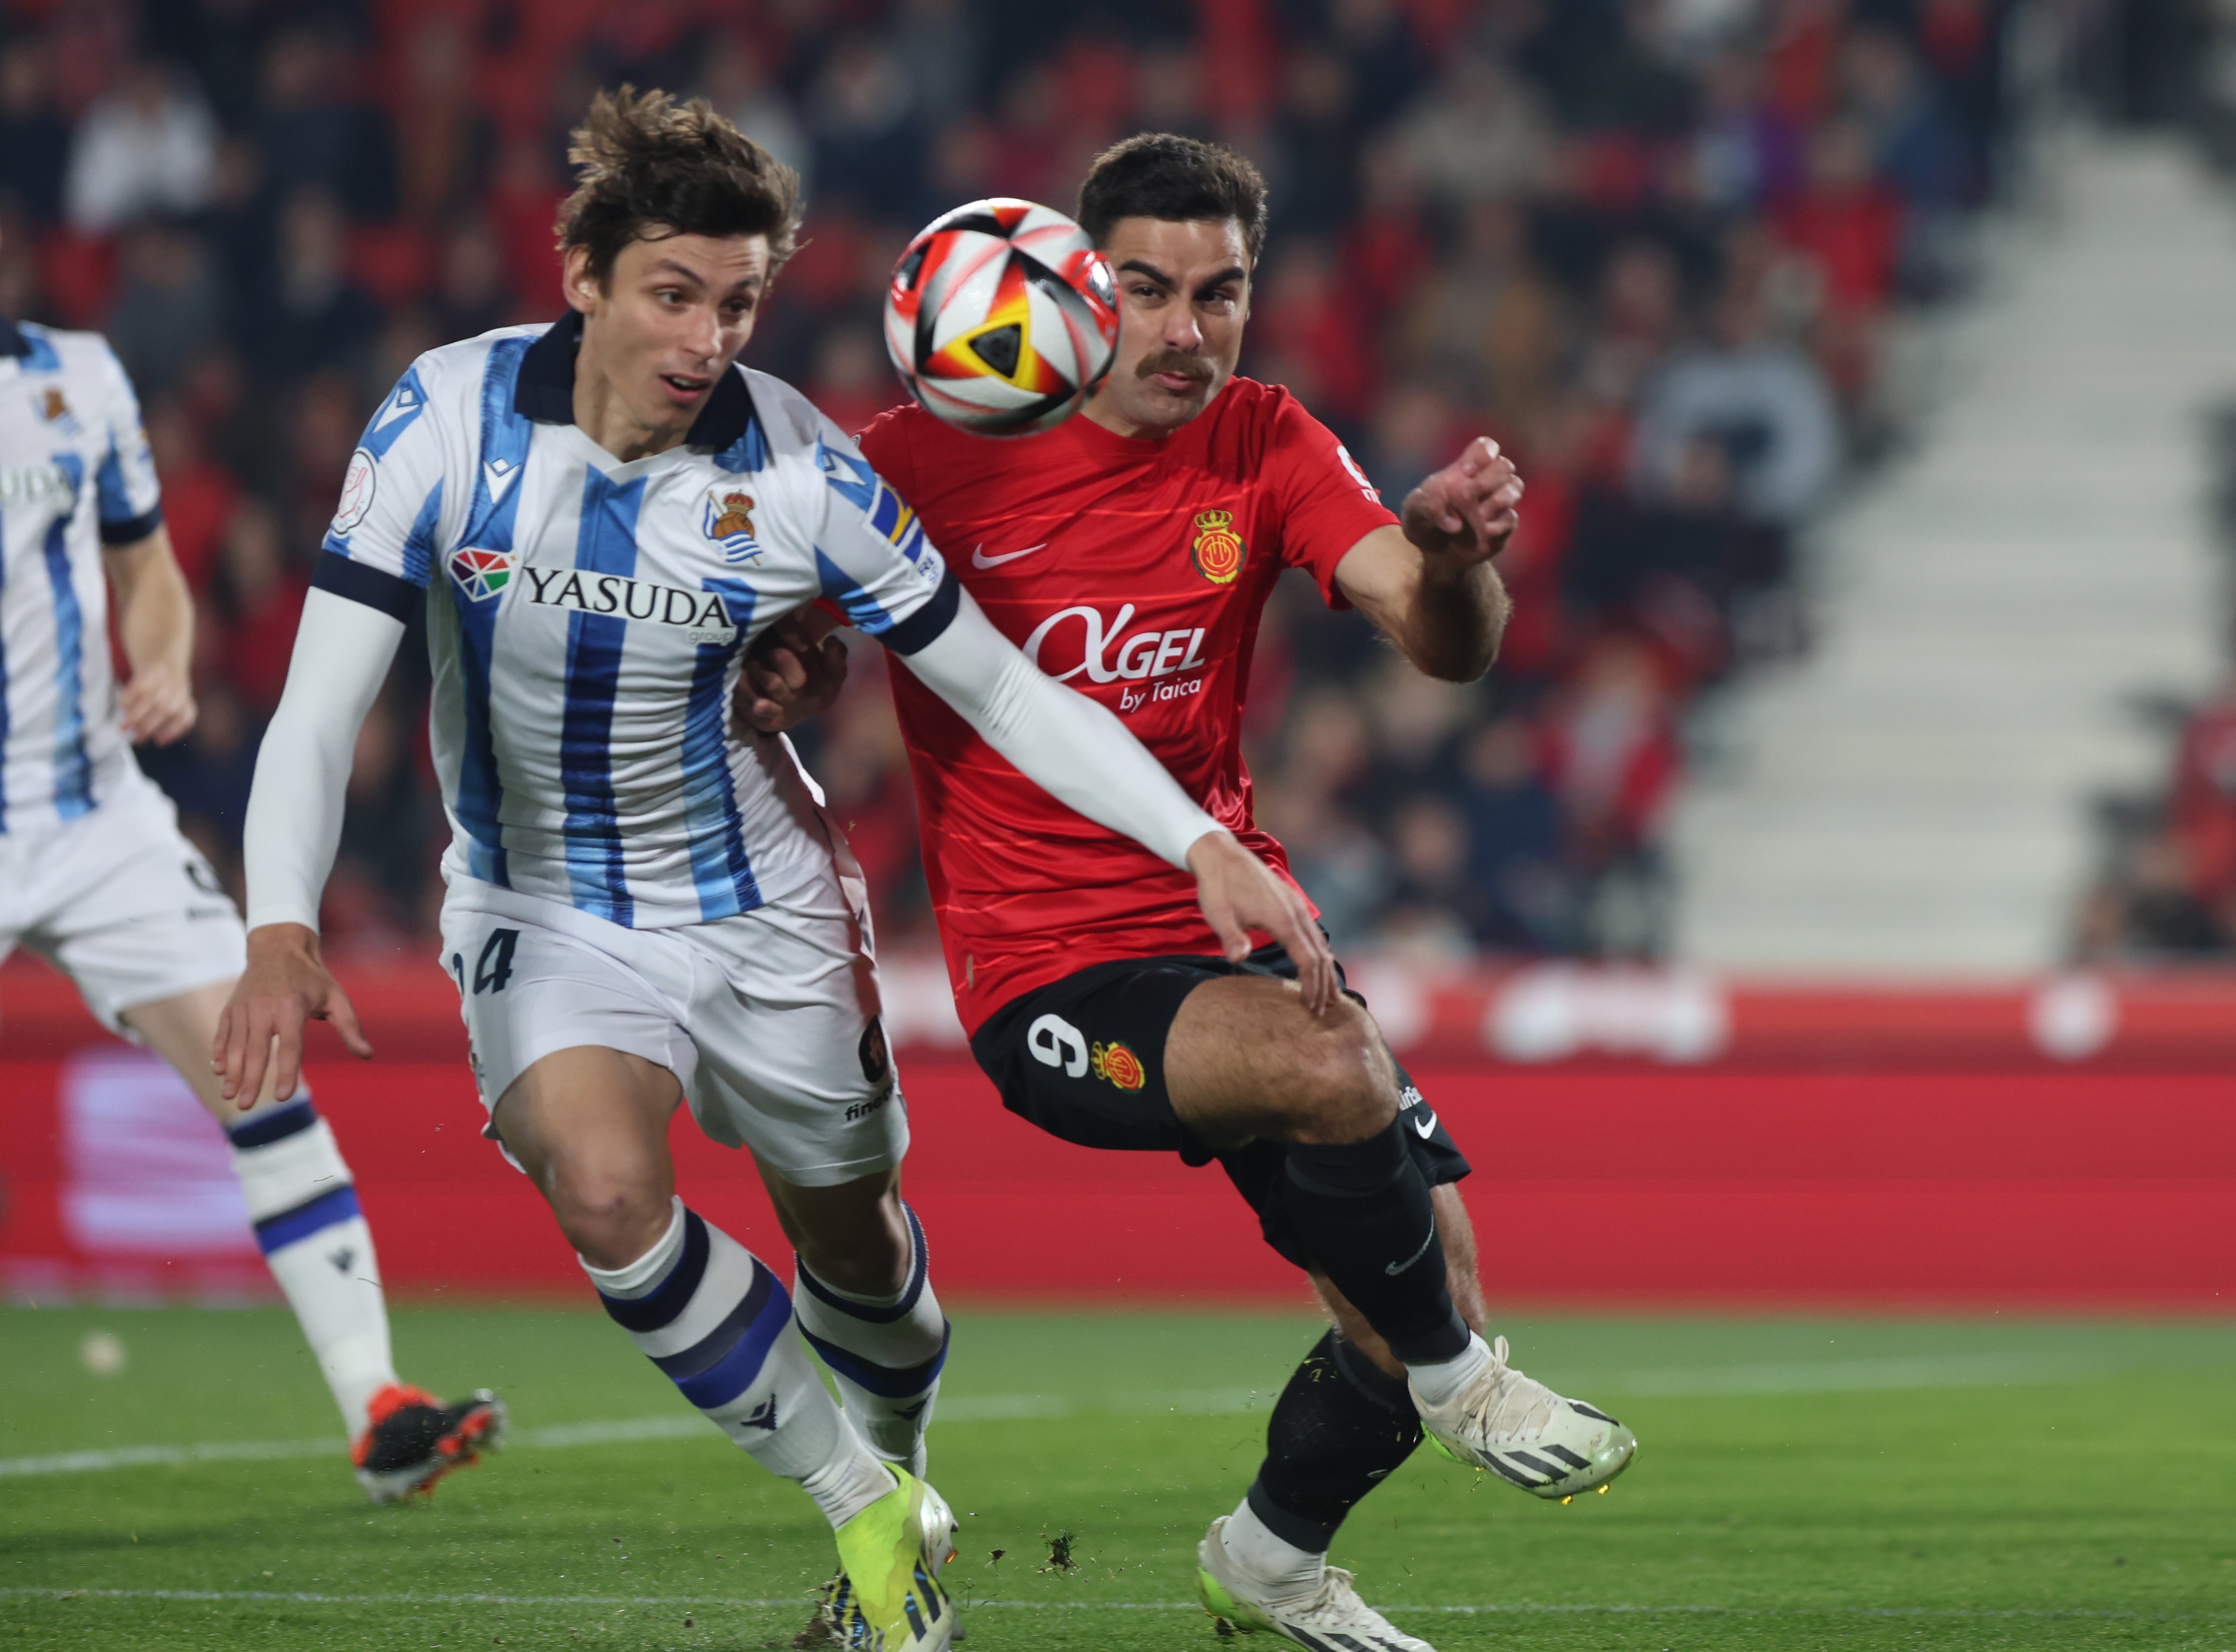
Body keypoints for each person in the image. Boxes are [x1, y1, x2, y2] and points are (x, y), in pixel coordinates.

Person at [214, 92, 1328, 1652]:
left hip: (766, 904)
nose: (706, 337)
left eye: (738, 304)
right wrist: (279, 923)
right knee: (605, 1191)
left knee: (858, 1248)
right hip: (542, 902)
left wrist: (1198, 840)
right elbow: (321, 703)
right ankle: (860, 1508)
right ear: (585, 275)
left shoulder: (803, 475)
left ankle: (908, 1491)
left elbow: (1005, 691)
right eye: (674, 292)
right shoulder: (444, 418)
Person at [757, 134, 1640, 1652]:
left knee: (1432, 1282)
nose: (1188, 329)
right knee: (1331, 1076)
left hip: (1224, 922)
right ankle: (1464, 1394)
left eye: (1221, 293)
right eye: (1151, 290)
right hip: (1050, 974)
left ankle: (1272, 1561)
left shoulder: (1263, 441)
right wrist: (783, 653)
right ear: (1077, 285)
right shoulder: (920, 455)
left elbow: (1446, 644)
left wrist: (1454, 560)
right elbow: (760, 619)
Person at [0, 234, 500, 1504]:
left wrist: (161, 656)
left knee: (257, 1075)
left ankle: (379, 1414)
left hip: (93, 814)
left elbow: (145, 572)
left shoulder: (79, 382)